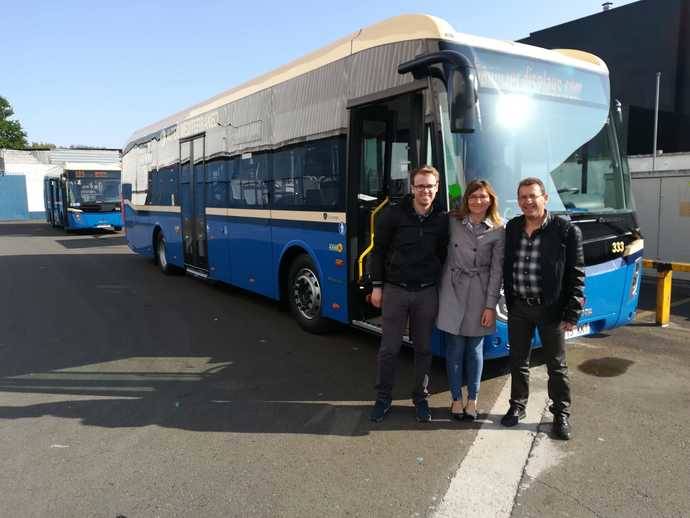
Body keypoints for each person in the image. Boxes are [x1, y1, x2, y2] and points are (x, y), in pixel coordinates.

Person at [500, 177, 584, 440]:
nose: (527, 201)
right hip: (519, 308)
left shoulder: (565, 231)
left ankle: (561, 415)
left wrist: (572, 311)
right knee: (518, 362)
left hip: (551, 310)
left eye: (532, 196)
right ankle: (517, 406)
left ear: (545, 198)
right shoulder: (513, 227)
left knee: (556, 366)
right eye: (522, 197)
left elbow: (576, 274)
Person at [369, 165, 449, 423]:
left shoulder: (443, 219)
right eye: (420, 186)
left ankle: (420, 398)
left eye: (430, 186)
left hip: (426, 292)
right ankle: (382, 399)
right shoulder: (393, 215)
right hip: (395, 290)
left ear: (437, 188)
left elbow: (446, 253)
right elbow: (378, 251)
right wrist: (377, 286)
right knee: (389, 349)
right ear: (412, 188)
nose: (425, 190)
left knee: (424, 349)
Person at [437, 179, 504, 421]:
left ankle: (472, 400)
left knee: (475, 349)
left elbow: (497, 271)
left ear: (490, 200)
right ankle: (456, 399)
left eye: (483, 197)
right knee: (453, 348)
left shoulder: (498, 228)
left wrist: (490, 306)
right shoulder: (452, 221)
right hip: (452, 289)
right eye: (473, 196)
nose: (478, 201)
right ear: (466, 199)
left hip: (480, 291)